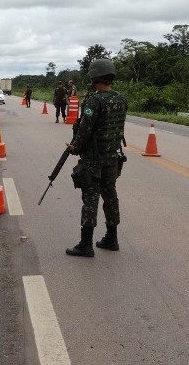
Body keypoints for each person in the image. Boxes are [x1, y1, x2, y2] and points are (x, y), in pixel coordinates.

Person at [65, 59, 128, 257]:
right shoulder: (120, 98)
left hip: (94, 159)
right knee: (110, 196)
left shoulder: (94, 100)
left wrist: (75, 147)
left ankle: (85, 244)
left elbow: (85, 129)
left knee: (90, 199)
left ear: (95, 77)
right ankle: (112, 238)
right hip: (112, 157)